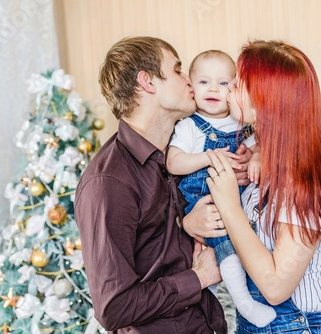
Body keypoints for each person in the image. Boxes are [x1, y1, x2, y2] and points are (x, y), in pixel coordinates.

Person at [75, 36, 251, 333]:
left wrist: (188, 222)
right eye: (178, 70)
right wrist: (199, 278)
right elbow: (114, 307)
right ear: (148, 82)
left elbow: (162, 238)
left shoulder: (184, 149)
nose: (189, 81)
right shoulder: (108, 182)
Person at [187, 40, 321, 333]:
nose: (228, 91)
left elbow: (276, 287)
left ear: (264, 101)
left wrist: (228, 205)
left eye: (237, 85)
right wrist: (193, 222)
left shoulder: (305, 177)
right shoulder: (260, 157)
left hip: (297, 326)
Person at [167, 50, 275, 327]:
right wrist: (208, 157)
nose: (213, 89)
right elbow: (174, 162)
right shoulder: (190, 126)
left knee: (248, 249)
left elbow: (261, 146)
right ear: (191, 86)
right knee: (220, 250)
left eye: (224, 83)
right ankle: (243, 303)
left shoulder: (241, 122)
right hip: (206, 203)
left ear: (235, 89)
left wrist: (259, 158)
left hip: (237, 206)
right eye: (204, 82)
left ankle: (236, 302)